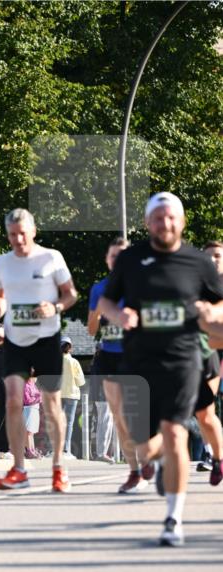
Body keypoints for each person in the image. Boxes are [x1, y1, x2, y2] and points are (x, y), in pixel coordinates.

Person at [98, 192, 223, 546]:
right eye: (158, 218)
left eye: (171, 218)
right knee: (143, 444)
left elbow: (220, 299)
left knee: (175, 433)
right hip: (139, 360)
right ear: (147, 222)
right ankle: (161, 462)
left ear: (181, 222)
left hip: (182, 359)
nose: (164, 224)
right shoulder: (131, 259)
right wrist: (118, 314)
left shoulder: (198, 263)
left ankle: (173, 519)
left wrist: (214, 314)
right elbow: (107, 299)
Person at [0, 208, 78, 492]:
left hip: (47, 339)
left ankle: (58, 469)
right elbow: (1, 297)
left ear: (33, 231)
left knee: (51, 406)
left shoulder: (51, 257)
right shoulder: (2, 262)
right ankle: (19, 468)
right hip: (15, 340)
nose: (18, 240)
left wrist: (56, 307)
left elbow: (71, 294)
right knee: (14, 400)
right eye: (12, 235)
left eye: (22, 234)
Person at [88, 236, 150, 493]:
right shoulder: (99, 289)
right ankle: (135, 471)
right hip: (109, 357)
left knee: (137, 416)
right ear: (107, 260)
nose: (118, 260)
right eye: (114, 256)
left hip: (135, 356)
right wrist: (99, 315)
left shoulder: (143, 285)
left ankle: (148, 463)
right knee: (120, 417)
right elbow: (92, 331)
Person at [192, 241, 223, 485]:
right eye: (208, 257)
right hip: (209, 353)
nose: (213, 260)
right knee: (205, 409)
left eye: (217, 256)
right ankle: (212, 455)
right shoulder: (196, 287)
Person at [60, 335, 85, 457]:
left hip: (58, 395)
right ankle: (66, 449)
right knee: (69, 423)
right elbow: (81, 381)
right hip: (72, 394)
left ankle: (55, 448)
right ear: (70, 348)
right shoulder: (74, 362)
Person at [22, 370, 41, 458]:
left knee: (31, 432)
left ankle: (32, 449)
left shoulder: (33, 385)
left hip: (35, 409)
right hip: (29, 409)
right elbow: (27, 400)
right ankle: (29, 450)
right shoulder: (25, 385)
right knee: (28, 431)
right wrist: (39, 398)